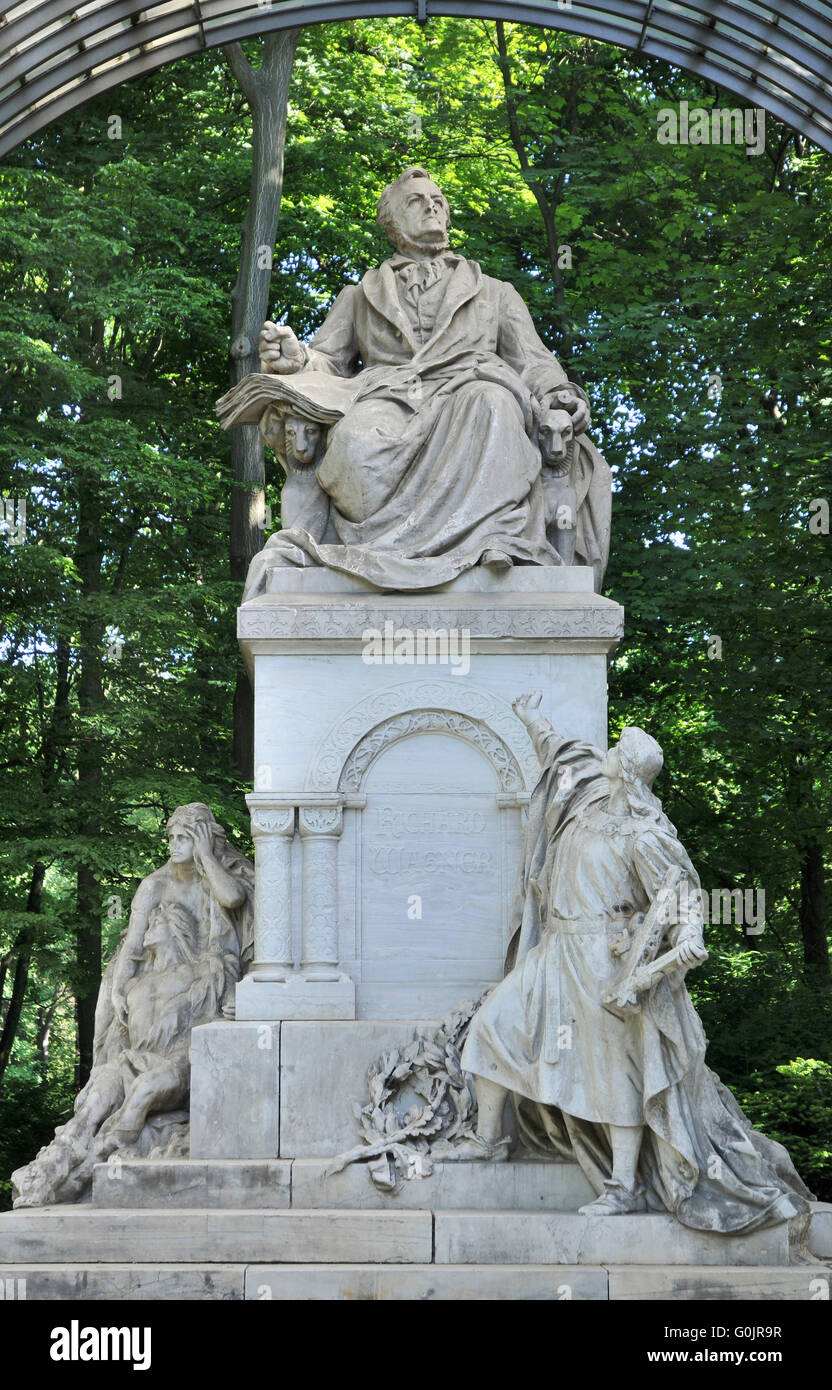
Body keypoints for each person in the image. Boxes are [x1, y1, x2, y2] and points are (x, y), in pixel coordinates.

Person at [453, 693, 813, 1235]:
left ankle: (623, 1186)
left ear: (627, 770)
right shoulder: (588, 799)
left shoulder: (647, 836)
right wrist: (534, 721)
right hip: (555, 951)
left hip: (607, 963)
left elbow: (683, 902)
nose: (606, 754)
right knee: (492, 1029)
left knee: (611, 1073)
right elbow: (564, 755)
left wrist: (680, 946)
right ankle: (488, 1139)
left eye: (615, 751)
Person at [231, 167, 610, 597]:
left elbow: (534, 361)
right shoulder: (359, 295)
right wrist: (297, 357)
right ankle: (379, 554)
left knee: (493, 405)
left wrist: (560, 395)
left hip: (469, 386)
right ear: (393, 223)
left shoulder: (495, 292)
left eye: (438, 202)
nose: (432, 207)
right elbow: (327, 362)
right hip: (388, 398)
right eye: (416, 201)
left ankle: (495, 541)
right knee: (353, 442)